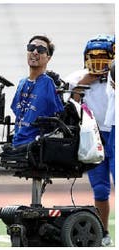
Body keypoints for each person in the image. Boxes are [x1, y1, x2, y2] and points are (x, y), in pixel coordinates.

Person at [64, 35, 115, 246]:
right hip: (93, 137)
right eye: (93, 57)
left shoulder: (114, 76)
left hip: (114, 132)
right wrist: (84, 83)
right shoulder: (77, 77)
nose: (98, 61)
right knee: (100, 189)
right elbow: (68, 107)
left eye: (103, 56)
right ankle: (103, 232)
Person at [10, 35, 64, 149]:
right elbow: (17, 110)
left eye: (41, 50)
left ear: (48, 58)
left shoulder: (48, 83)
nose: (34, 52)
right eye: (31, 48)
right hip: (17, 143)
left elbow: (58, 115)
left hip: (34, 146)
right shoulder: (22, 83)